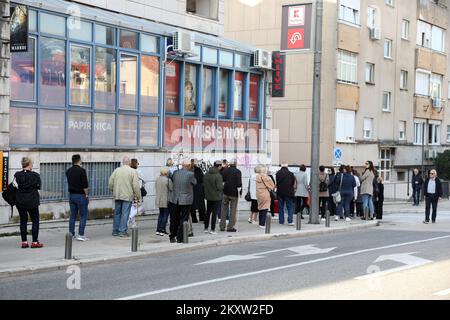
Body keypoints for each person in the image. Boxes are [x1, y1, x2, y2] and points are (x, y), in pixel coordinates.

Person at [109, 156, 141, 237]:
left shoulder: (116, 170)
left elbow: (110, 182)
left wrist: (113, 190)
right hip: (127, 195)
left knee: (117, 213)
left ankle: (115, 231)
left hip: (117, 194)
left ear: (123, 162)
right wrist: (138, 195)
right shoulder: (132, 171)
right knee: (125, 213)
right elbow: (136, 185)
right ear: (129, 162)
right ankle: (122, 231)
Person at [15, 157, 43, 248]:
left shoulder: (17, 175)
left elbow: (15, 186)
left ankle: (24, 242)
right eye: (32, 163)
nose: (32, 165)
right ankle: (34, 242)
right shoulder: (35, 175)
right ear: (29, 164)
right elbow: (39, 187)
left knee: (23, 221)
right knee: (35, 221)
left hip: (20, 201)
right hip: (32, 201)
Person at [170, 159, 197, 243]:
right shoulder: (190, 174)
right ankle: (180, 237)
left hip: (175, 199)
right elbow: (195, 183)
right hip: (186, 200)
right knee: (184, 219)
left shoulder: (175, 173)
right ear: (189, 166)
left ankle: (172, 236)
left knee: (174, 218)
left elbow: (173, 180)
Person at [65, 154, 89, 241]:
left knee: (72, 216)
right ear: (79, 160)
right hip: (80, 195)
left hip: (71, 195)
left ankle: (71, 234)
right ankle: (81, 234)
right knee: (83, 215)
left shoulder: (68, 171)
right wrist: (86, 195)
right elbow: (85, 185)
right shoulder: (82, 170)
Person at [220, 159, 242, 232]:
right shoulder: (238, 171)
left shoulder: (225, 170)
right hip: (234, 193)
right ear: (235, 164)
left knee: (223, 209)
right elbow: (239, 183)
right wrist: (240, 191)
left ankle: (222, 226)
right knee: (233, 210)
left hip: (225, 192)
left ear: (229, 164)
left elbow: (222, 180)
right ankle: (230, 227)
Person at [203, 160, 224, 234]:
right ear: (219, 166)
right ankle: (212, 229)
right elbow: (219, 187)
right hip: (216, 197)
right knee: (214, 213)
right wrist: (223, 185)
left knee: (208, 212)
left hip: (208, 196)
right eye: (221, 166)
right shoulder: (218, 176)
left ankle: (205, 228)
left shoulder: (206, 174)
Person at [155, 167, 172, 236]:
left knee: (161, 214)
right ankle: (162, 230)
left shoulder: (157, 179)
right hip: (166, 200)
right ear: (166, 173)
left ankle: (158, 230)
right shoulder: (168, 180)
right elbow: (171, 189)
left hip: (159, 199)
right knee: (165, 215)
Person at [129, 159, 145, 228]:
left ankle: (133, 224)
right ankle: (130, 217)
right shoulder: (138, 172)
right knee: (140, 207)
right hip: (137, 191)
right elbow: (144, 180)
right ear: (136, 164)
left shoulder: (129, 171)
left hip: (130, 191)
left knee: (132, 207)